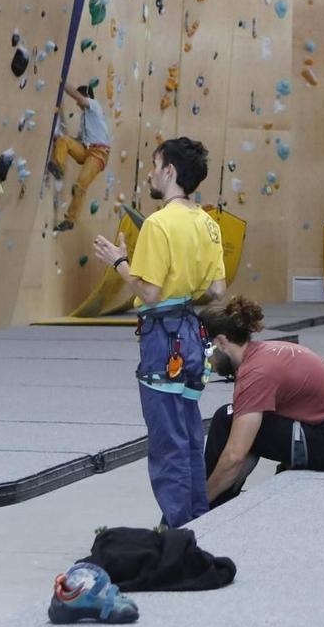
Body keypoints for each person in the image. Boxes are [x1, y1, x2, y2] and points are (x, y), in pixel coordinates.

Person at [90, 137, 225, 529]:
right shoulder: (209, 224)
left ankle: (180, 528)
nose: (149, 172)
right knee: (187, 433)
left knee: (168, 441)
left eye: (154, 164)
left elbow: (148, 292)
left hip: (163, 341)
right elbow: (217, 291)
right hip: (191, 336)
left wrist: (118, 262)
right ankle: (197, 518)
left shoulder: (158, 223)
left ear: (169, 171)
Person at [198, 296, 324, 506]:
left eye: (204, 350)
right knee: (238, 419)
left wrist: (197, 505)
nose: (205, 361)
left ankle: (205, 508)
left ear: (221, 342)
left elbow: (235, 456)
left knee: (228, 420)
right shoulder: (264, 351)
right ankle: (218, 501)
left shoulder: (255, 373)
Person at [48, 81, 112, 232]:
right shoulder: (85, 118)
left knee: (80, 185)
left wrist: (63, 82)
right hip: (86, 150)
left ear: (86, 97)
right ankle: (58, 167)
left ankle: (70, 220)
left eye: (79, 101)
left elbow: (78, 97)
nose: (77, 105)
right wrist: (59, 138)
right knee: (64, 141)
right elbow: (77, 141)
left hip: (99, 154)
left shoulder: (94, 105)